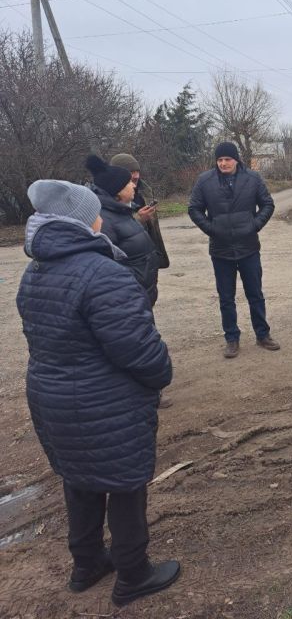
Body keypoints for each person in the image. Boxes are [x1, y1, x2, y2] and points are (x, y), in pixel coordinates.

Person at [17, 180, 179, 606]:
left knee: (80, 481)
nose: (101, 219)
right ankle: (133, 574)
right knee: (125, 483)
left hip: (51, 399)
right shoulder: (104, 273)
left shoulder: (36, 271)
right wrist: (162, 373)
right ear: (80, 221)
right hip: (105, 402)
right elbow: (138, 349)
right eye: (94, 213)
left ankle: (86, 564)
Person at [188, 141, 279, 358]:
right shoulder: (205, 181)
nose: (223, 163)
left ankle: (262, 334)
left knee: (255, 294)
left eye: (227, 159)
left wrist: (254, 225)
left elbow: (267, 204)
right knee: (226, 298)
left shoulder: (252, 179)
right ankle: (231, 338)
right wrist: (212, 229)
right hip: (221, 250)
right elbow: (194, 208)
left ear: (236, 159)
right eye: (219, 160)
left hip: (249, 247)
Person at [86, 154, 160, 308]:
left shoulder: (122, 211)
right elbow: (106, 267)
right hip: (129, 298)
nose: (134, 185)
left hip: (140, 295)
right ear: (117, 190)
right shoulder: (104, 221)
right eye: (128, 182)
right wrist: (133, 282)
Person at [110, 153, 170, 271]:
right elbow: (113, 228)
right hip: (128, 263)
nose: (136, 176)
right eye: (131, 172)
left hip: (149, 258)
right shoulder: (108, 198)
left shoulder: (145, 192)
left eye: (137, 171)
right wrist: (138, 219)